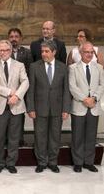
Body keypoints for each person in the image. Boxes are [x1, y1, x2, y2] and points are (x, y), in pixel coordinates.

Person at [26, 40, 71, 173]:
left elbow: (66, 90)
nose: (44, 54)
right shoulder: (34, 67)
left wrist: (66, 109)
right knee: (40, 136)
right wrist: (31, 108)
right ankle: (41, 162)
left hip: (57, 109)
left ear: (54, 52)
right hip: (39, 109)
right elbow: (31, 89)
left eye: (46, 51)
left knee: (55, 136)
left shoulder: (63, 67)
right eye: (42, 51)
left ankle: (53, 162)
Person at [0, 40, 29, 174]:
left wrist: (16, 96)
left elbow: (25, 82)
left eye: (5, 50)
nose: (3, 52)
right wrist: (9, 92)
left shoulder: (20, 65)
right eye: (0, 50)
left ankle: (11, 162)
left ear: (11, 51)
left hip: (16, 105)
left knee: (14, 136)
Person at [69, 42, 104, 173]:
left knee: (91, 136)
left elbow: (102, 85)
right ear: (80, 53)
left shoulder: (99, 68)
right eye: (86, 52)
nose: (89, 54)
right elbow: (72, 86)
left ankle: (89, 162)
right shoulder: (73, 68)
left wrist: (94, 98)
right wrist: (84, 99)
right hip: (79, 106)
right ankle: (78, 162)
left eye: (91, 52)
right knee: (77, 136)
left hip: (94, 107)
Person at [8, 27, 33, 146]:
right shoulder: (4, 51)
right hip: (7, 89)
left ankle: (20, 138)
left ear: (21, 38)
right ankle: (7, 138)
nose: (14, 39)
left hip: (22, 89)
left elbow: (29, 71)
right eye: (11, 37)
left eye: (16, 37)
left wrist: (23, 88)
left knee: (19, 114)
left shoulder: (27, 52)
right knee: (7, 114)